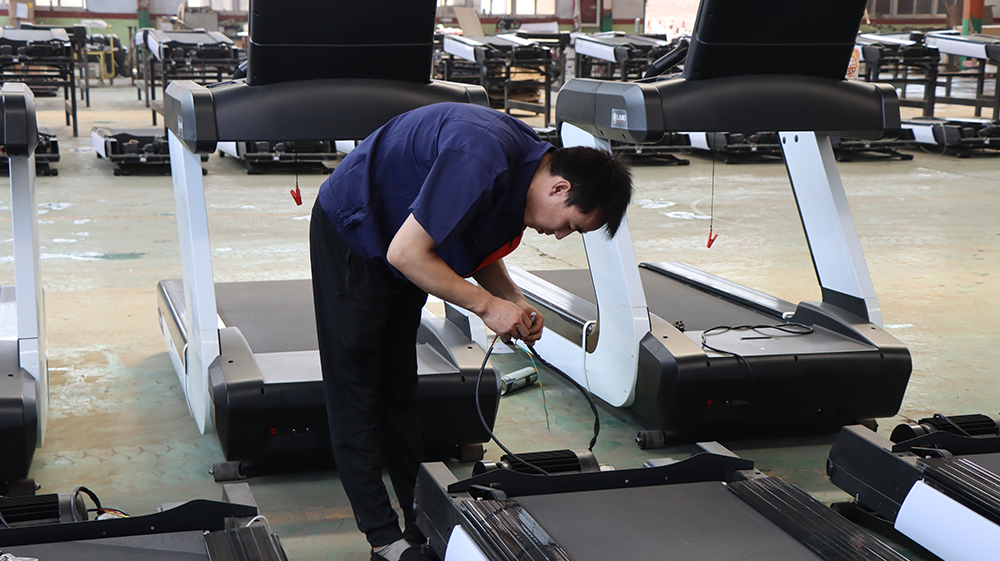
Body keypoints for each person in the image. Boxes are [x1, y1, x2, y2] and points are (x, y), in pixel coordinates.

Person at [310, 102, 633, 561]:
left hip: (404, 240)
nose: (561, 235)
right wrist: (486, 306)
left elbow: (470, 236)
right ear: (560, 188)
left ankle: (418, 514)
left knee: (397, 386)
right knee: (357, 389)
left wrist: (512, 299)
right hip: (356, 230)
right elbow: (407, 255)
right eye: (570, 224)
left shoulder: (528, 165)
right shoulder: (479, 157)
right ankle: (383, 538)